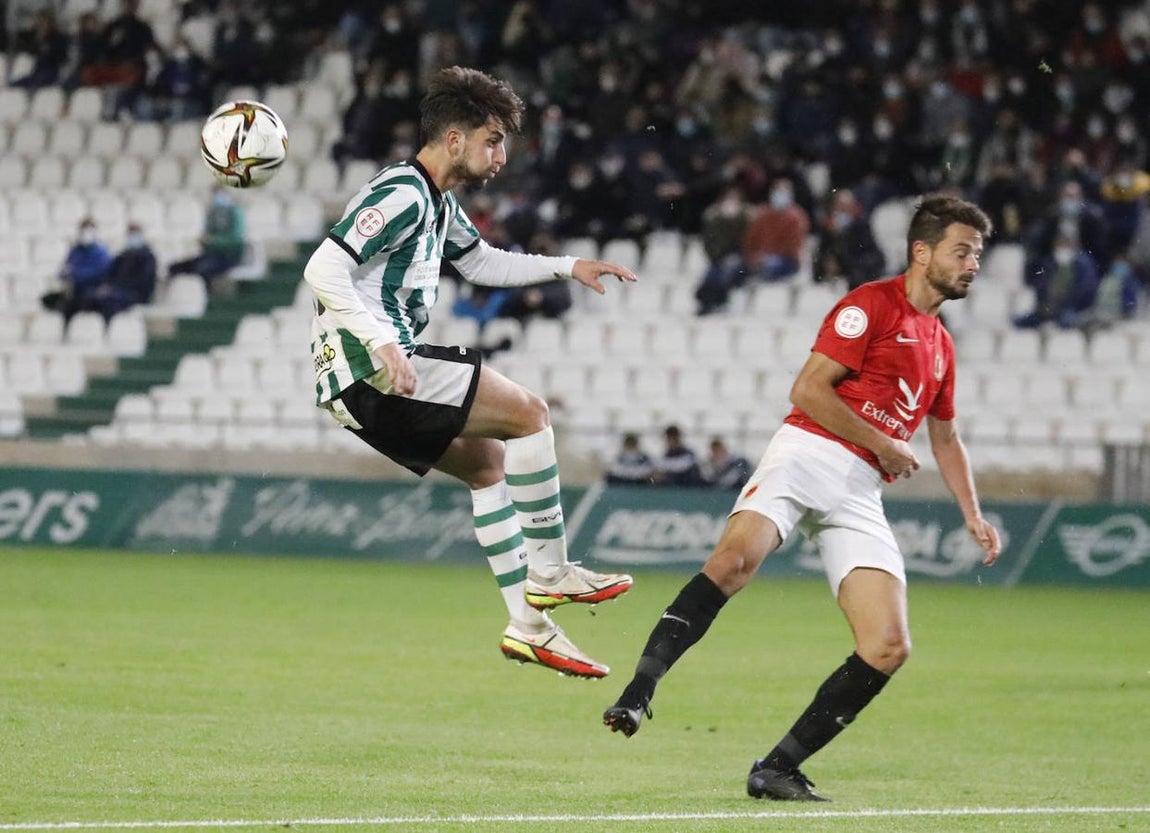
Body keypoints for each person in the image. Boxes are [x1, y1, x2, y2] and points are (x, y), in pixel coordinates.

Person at [603, 195, 1002, 802]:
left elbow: (945, 436)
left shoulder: (942, 345)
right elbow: (809, 390)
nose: (974, 263)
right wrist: (885, 444)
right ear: (922, 252)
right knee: (732, 565)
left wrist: (972, 513)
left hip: (861, 488)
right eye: (962, 251)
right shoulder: (870, 305)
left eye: (978, 253)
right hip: (807, 453)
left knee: (889, 645)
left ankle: (778, 767)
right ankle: (639, 691)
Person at [302, 66, 637, 680]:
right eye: (493, 140)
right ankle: (551, 571)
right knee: (530, 415)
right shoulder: (402, 192)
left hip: (352, 386)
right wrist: (380, 342)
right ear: (454, 139)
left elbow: (481, 262)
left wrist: (568, 267)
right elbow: (323, 268)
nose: (501, 155)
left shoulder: (437, 201)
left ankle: (529, 626)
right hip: (370, 365)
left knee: (488, 466)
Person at [167, 187, 247, 291]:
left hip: (228, 257)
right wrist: (204, 241)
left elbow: (234, 239)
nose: (217, 198)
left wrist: (213, 240)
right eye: (215, 195)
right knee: (175, 267)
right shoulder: (213, 213)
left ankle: (206, 295)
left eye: (220, 194)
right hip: (211, 255)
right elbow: (208, 236)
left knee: (201, 268)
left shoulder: (236, 212)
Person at [40, 218, 113, 324]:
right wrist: (66, 274)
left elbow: (101, 272)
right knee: (49, 300)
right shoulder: (75, 251)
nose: (86, 234)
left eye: (89, 231)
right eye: (84, 231)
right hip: (76, 291)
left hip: (93, 292)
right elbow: (64, 271)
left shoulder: (101, 252)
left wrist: (76, 274)